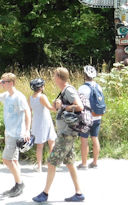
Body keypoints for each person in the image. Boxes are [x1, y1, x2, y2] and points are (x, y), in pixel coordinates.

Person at [32, 67, 85, 203]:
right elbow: (59, 107)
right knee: (70, 163)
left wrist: (65, 107)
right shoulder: (63, 91)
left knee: (51, 162)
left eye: (54, 75)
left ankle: (45, 194)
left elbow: (79, 106)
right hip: (65, 132)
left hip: (67, 134)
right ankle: (79, 193)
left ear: (59, 77)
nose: (53, 78)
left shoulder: (69, 90)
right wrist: (59, 105)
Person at [0, 72, 31, 198]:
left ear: (11, 83)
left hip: (16, 133)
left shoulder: (19, 97)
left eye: (4, 82)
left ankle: (19, 184)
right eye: (2, 81)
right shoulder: (7, 96)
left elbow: (27, 112)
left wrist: (27, 130)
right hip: (9, 132)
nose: (2, 83)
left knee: (6, 159)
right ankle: (17, 184)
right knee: (13, 160)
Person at [78, 66, 104, 169]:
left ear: (85, 75)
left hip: (86, 118)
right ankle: (95, 163)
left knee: (84, 140)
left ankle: (84, 164)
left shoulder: (82, 88)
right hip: (97, 117)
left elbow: (80, 104)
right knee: (95, 138)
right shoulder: (98, 86)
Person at [29, 77, 56, 172]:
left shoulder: (30, 98)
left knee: (39, 146)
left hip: (36, 122)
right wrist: (57, 105)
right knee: (51, 143)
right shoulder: (42, 97)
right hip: (45, 122)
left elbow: (29, 111)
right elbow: (50, 108)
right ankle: (52, 164)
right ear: (41, 87)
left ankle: (39, 167)